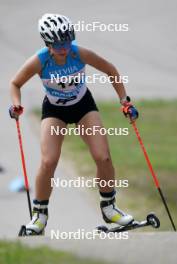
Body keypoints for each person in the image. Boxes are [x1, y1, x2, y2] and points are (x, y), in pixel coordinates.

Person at [9, 14, 139, 235]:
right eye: (59, 44)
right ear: (47, 42)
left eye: (68, 41)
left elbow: (110, 70)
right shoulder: (40, 60)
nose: (64, 48)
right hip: (54, 110)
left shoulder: (79, 53)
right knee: (49, 161)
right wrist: (16, 104)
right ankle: (40, 215)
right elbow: (15, 83)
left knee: (103, 156)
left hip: (82, 106)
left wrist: (125, 102)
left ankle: (109, 208)